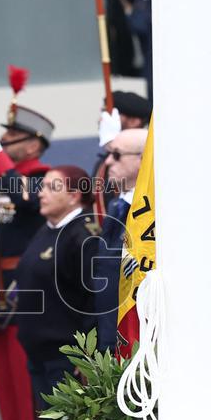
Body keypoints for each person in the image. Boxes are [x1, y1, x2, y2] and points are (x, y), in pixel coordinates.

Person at [0, 84, 53, 420]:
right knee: (4, 391)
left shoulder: (43, 176)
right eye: (2, 136)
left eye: (12, 136)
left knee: (26, 391)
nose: (3, 141)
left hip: (27, 296)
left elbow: (25, 198)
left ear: (34, 144)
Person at [14, 165, 99, 410]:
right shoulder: (48, 229)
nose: (42, 193)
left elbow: (93, 300)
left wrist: (85, 356)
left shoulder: (83, 236)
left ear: (74, 196)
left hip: (65, 356)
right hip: (39, 353)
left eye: (53, 188)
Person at [95, 128, 147, 353]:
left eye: (116, 155)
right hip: (107, 329)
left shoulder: (149, 211)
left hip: (133, 335)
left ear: (143, 159)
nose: (108, 161)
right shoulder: (118, 204)